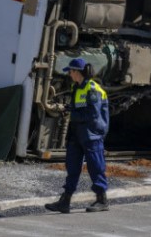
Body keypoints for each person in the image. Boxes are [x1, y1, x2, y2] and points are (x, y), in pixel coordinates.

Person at [45, 58, 110, 214]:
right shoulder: (77, 87)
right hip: (78, 133)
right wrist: (68, 108)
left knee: (95, 166)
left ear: (77, 72)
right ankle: (65, 201)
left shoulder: (92, 89)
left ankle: (102, 200)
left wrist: (71, 113)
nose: (69, 74)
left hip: (91, 134)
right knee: (72, 167)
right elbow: (80, 109)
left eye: (71, 71)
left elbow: (92, 114)